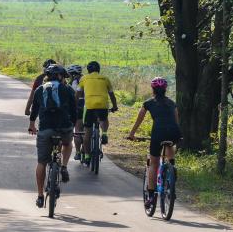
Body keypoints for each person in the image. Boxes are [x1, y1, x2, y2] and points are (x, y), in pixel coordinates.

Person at [127, 77, 181, 208]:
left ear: (153, 89)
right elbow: (176, 121)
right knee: (169, 143)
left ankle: (151, 197)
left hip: (158, 133)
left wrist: (132, 134)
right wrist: (179, 136)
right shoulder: (172, 103)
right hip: (174, 133)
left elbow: (139, 119)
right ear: (165, 89)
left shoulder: (149, 103)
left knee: (154, 163)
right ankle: (172, 168)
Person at [28, 64, 77, 208]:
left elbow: (34, 110)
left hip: (45, 129)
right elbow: (74, 111)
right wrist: (72, 126)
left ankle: (40, 196)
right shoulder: (67, 89)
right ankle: (63, 166)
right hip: (64, 127)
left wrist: (32, 125)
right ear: (61, 76)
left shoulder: (39, 89)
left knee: (42, 162)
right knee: (68, 144)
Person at [76, 61, 118, 166]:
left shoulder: (84, 78)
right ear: (98, 69)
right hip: (102, 105)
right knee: (104, 119)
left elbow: (78, 93)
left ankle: (87, 156)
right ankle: (104, 133)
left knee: (87, 131)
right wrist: (115, 106)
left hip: (89, 106)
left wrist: (75, 104)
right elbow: (112, 95)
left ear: (88, 70)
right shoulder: (105, 78)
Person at [66, 64, 85, 161]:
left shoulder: (74, 82)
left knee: (77, 130)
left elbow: (72, 97)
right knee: (86, 131)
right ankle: (86, 151)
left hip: (79, 105)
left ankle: (78, 152)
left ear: (73, 74)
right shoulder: (86, 79)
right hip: (89, 106)